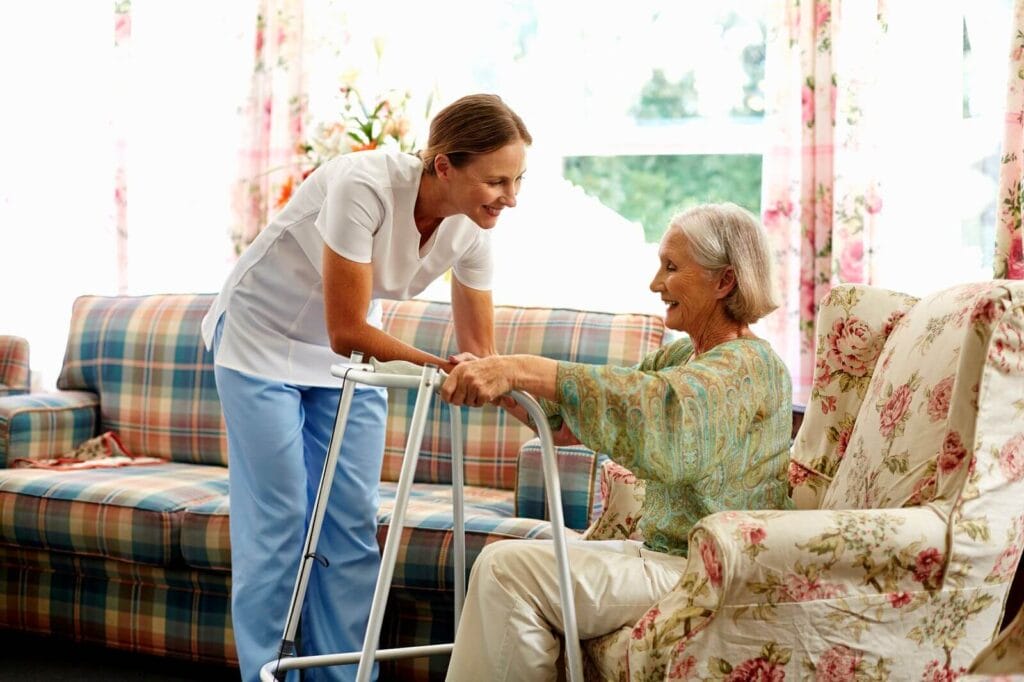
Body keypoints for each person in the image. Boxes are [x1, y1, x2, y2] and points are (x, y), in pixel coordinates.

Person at [200, 93, 531, 682]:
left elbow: (481, 353)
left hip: (344, 362)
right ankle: (269, 673)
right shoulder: (365, 185)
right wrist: (439, 368)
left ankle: (346, 676)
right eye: (497, 180)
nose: (511, 197)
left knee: (351, 520)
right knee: (280, 517)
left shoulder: (474, 231)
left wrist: (527, 403)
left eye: (518, 180)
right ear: (444, 166)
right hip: (261, 339)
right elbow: (347, 328)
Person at [439, 202, 792, 681]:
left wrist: (521, 367)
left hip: (707, 571)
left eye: (671, 267)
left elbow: (663, 415)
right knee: (501, 560)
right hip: (666, 555)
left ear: (724, 281)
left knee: (510, 573)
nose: (655, 283)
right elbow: (578, 420)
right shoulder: (686, 355)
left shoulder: (749, 366)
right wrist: (506, 389)